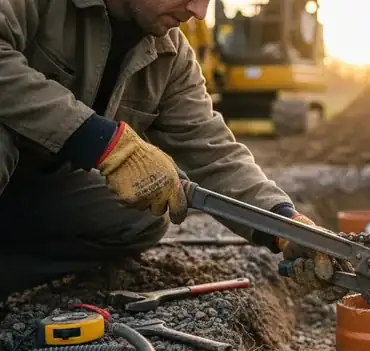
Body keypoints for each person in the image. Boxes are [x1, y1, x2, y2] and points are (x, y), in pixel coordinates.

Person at [0, 0, 340, 299]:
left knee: (137, 217)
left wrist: (288, 226)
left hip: (30, 188)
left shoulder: (172, 55)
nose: (199, 11)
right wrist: (103, 143)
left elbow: (214, 151)